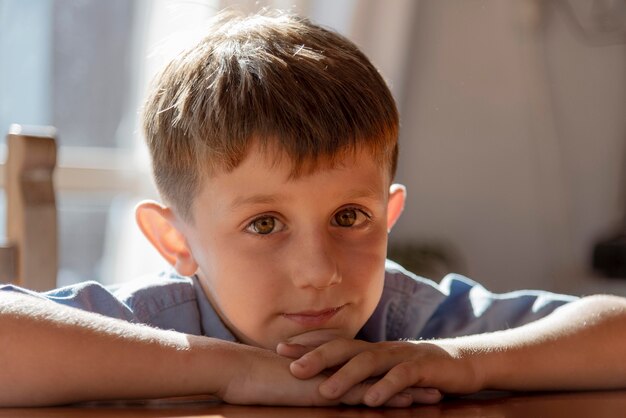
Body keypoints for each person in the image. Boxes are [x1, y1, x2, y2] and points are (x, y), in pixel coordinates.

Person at [1, 10, 625, 408]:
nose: (318, 271)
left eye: (350, 217)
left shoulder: (409, 326)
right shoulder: (152, 323)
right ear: (175, 241)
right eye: (264, 223)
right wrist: (232, 374)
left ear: (390, 214)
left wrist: (459, 361)